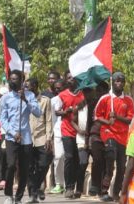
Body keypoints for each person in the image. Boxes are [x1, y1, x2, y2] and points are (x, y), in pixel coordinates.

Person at [0, 70, 41, 204]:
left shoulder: (29, 95)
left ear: (22, 81)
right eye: (11, 79)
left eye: (16, 79)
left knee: (24, 169)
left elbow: (38, 113)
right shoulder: (5, 98)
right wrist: (12, 132)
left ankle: (18, 197)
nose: (13, 81)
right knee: (11, 165)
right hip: (12, 138)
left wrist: (25, 100)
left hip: (26, 138)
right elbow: (3, 119)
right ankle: (8, 195)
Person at [95, 72, 134, 202]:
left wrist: (116, 117)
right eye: (117, 81)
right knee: (110, 159)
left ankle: (116, 193)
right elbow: (97, 116)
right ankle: (104, 190)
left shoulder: (128, 100)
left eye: (122, 81)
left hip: (122, 136)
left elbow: (129, 120)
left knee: (122, 167)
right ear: (112, 82)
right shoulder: (105, 98)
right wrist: (108, 122)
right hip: (108, 133)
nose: (119, 83)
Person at [55, 71, 84, 199]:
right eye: (68, 78)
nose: (71, 79)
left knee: (79, 160)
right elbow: (57, 112)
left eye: (73, 77)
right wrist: (65, 111)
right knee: (69, 157)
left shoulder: (83, 94)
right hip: (67, 130)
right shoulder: (62, 95)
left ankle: (77, 187)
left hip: (80, 131)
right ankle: (69, 188)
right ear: (66, 80)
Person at [25, 78, 53, 203]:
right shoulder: (23, 100)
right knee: (29, 167)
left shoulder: (45, 101)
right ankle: (34, 193)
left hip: (41, 137)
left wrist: (48, 137)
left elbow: (48, 120)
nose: (27, 89)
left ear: (36, 86)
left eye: (29, 87)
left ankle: (37, 187)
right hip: (27, 138)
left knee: (44, 163)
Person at [88, 81, 109, 196]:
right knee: (97, 160)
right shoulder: (92, 104)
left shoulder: (111, 103)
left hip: (108, 135)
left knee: (107, 162)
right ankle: (94, 185)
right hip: (95, 135)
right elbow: (88, 122)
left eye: (101, 91)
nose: (99, 94)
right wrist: (87, 139)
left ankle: (103, 189)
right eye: (97, 91)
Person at [49, 79, 66, 194]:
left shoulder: (70, 98)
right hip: (58, 132)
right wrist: (50, 135)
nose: (58, 89)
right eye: (56, 88)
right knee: (58, 157)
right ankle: (59, 183)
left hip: (71, 132)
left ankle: (67, 184)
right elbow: (51, 119)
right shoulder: (53, 100)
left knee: (68, 158)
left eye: (60, 87)